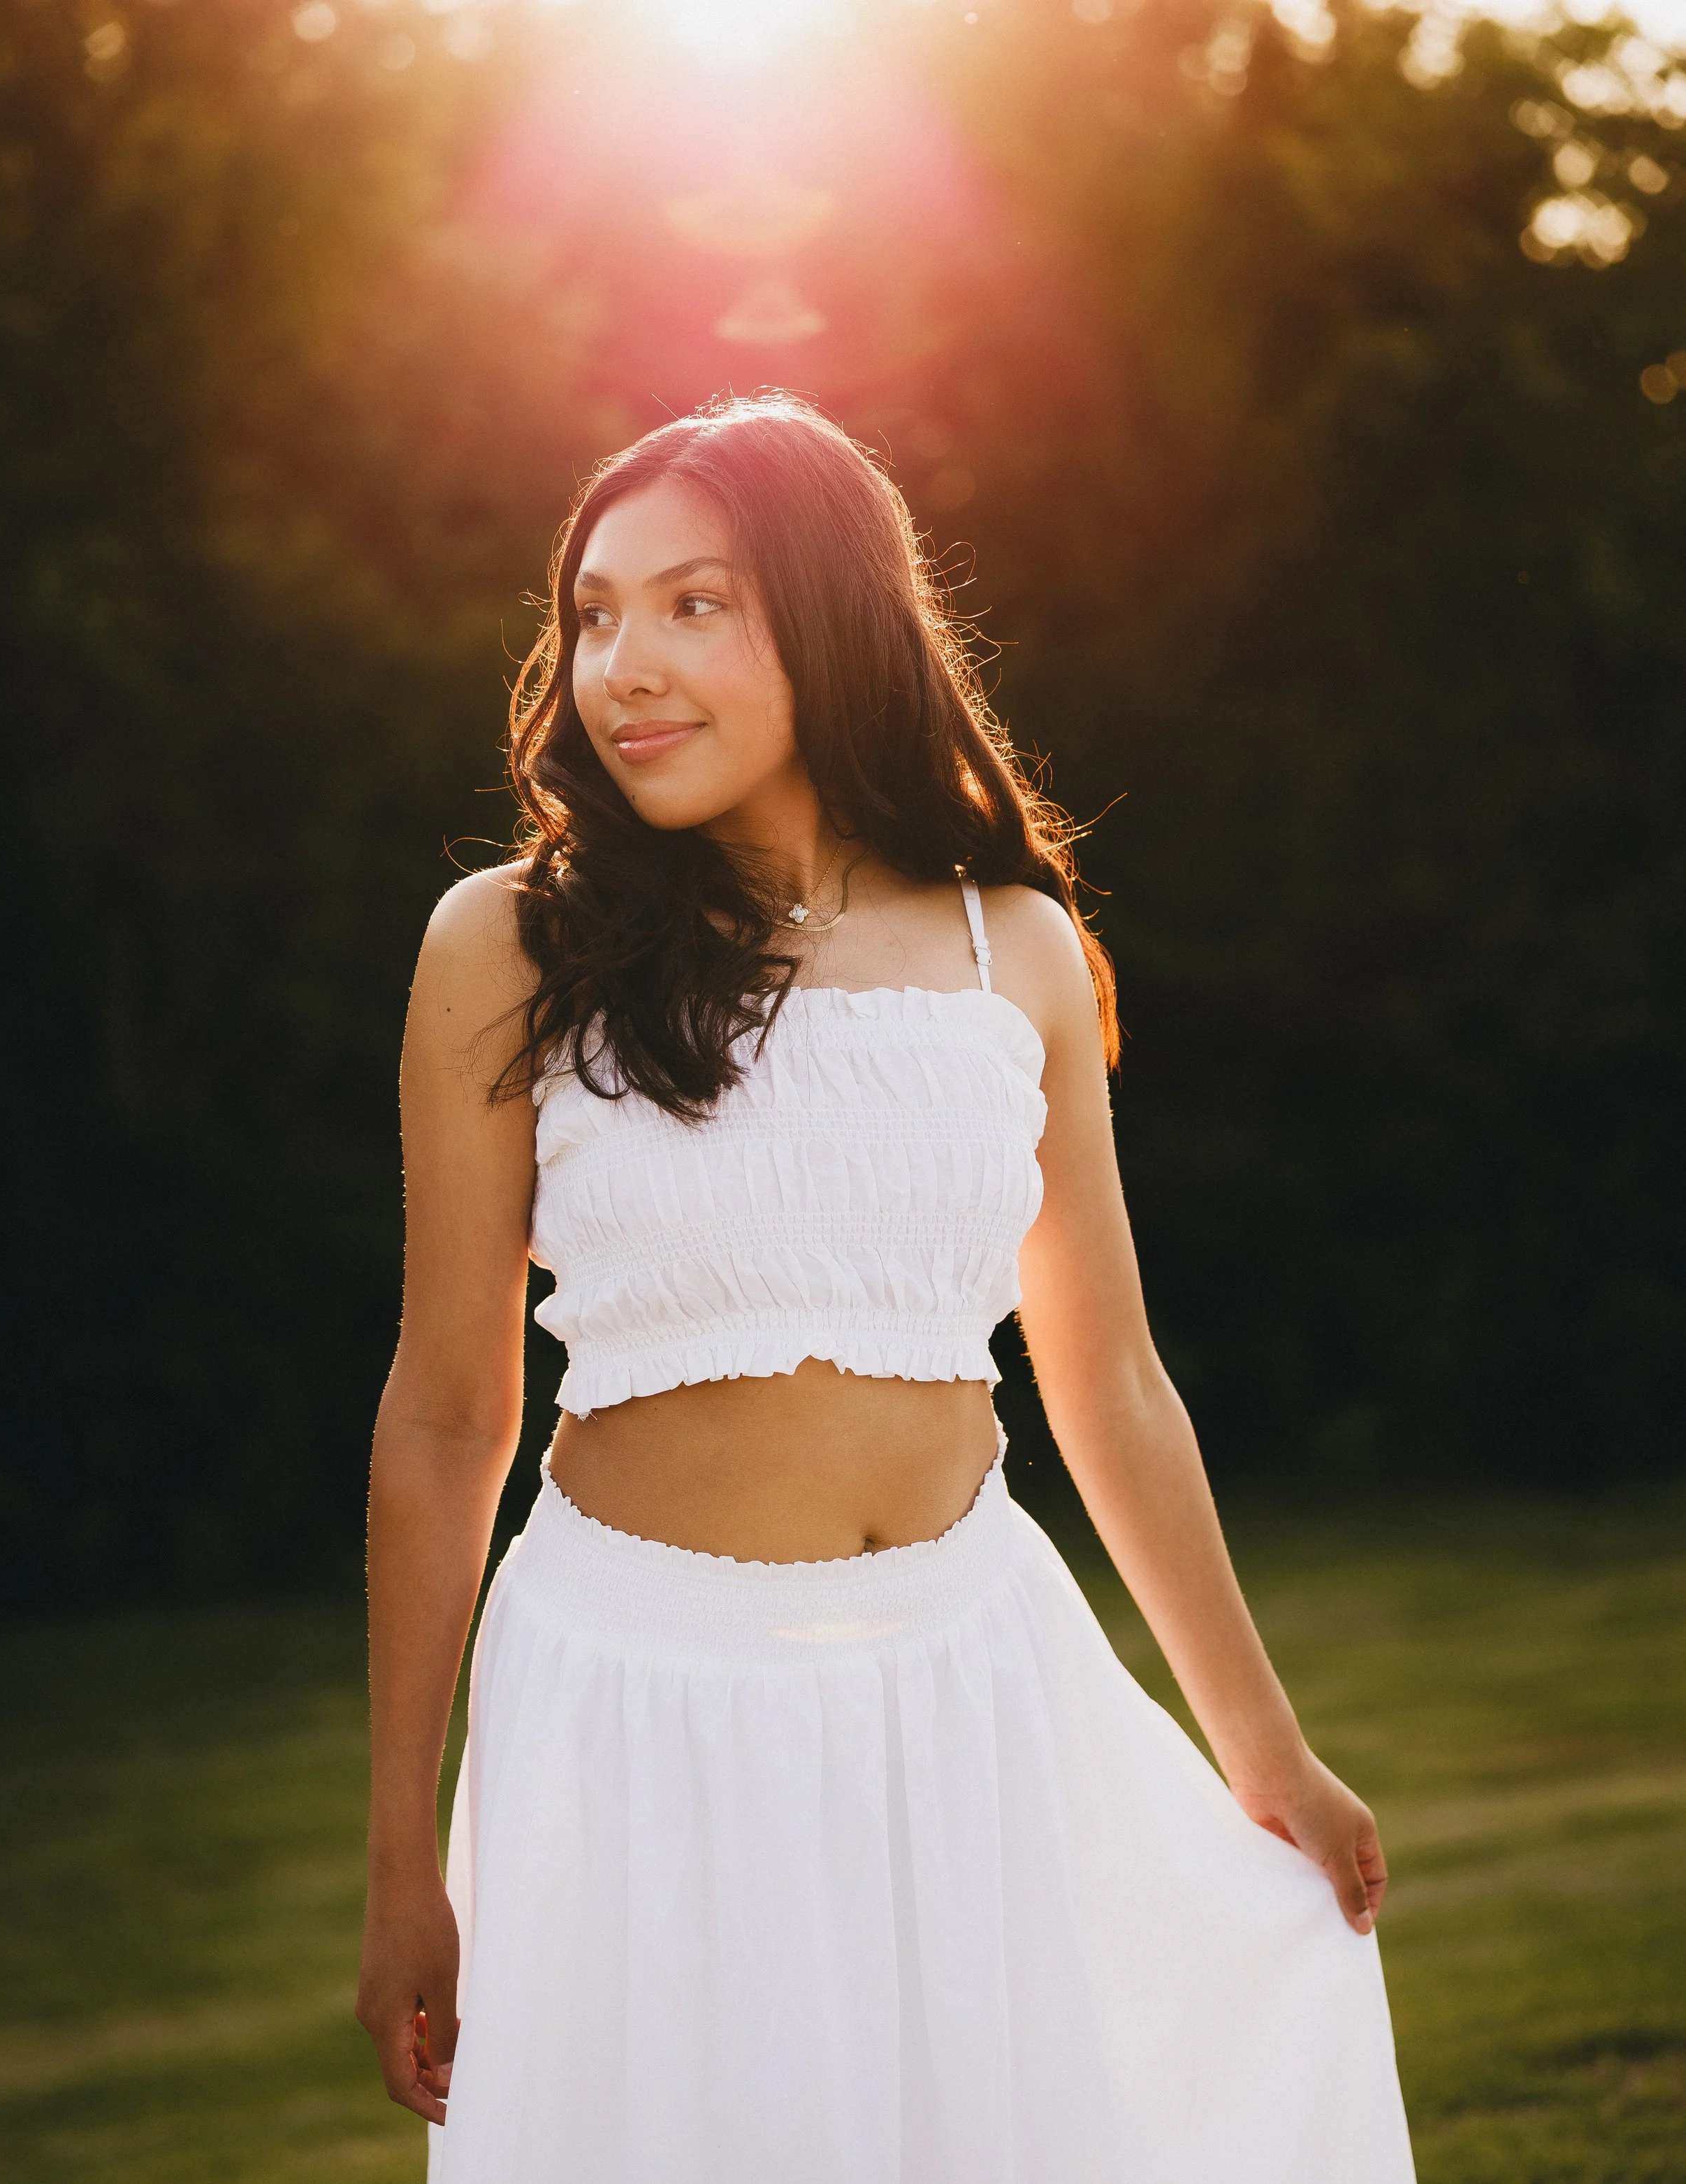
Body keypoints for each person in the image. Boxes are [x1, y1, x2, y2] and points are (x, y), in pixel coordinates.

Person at [356, 391, 1416, 2183]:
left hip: (975, 1676)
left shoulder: (1018, 945)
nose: (626, 662)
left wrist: (1266, 1747)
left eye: (696, 602)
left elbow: (1110, 1380)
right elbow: (450, 1409)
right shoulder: (506, 941)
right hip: (634, 1700)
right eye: (593, 613)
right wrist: (402, 1856)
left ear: (833, 616)